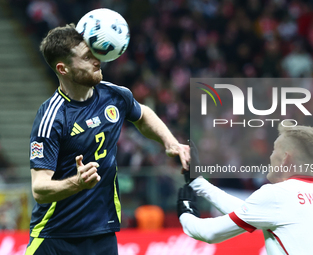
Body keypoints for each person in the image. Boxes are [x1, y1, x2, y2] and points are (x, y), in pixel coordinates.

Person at [25, 24, 190, 255]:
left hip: (103, 234)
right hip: (56, 237)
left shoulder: (114, 95)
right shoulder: (52, 118)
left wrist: (169, 141)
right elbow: (39, 188)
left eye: (95, 53)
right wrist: (78, 183)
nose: (97, 60)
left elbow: (143, 115)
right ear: (63, 68)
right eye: (86, 57)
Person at [178, 123, 313, 254]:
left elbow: (210, 233)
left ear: (285, 157)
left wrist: (185, 213)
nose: (270, 157)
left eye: (275, 149)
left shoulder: (277, 195)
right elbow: (249, 211)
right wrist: (199, 184)